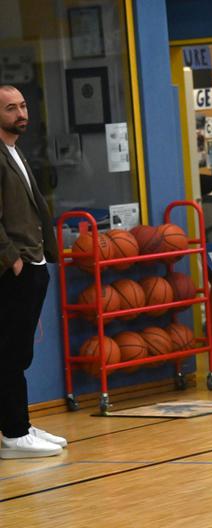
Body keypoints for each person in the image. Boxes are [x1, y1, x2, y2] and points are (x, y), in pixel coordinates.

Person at [0, 85, 67, 459]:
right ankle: (14, 432)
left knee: (19, 351)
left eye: (23, 106)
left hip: (33, 261)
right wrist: (12, 259)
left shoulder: (15, 150)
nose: (20, 114)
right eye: (11, 108)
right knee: (11, 352)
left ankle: (19, 423)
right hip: (14, 268)